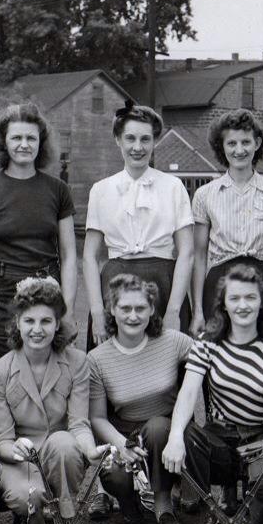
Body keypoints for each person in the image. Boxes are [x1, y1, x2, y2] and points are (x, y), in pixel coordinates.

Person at [0, 102, 77, 445]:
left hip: (48, 295)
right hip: (0, 297)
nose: (24, 144)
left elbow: (70, 254)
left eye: (31, 137)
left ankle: (48, 468)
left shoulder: (57, 189)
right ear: (3, 142)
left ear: (41, 142)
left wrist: (66, 312)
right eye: (16, 138)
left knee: (46, 385)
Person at [162, 264, 263, 524]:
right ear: (223, 303)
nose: (243, 305)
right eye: (235, 298)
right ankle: (216, 509)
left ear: (262, 301)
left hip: (260, 435)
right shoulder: (209, 341)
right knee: (186, 435)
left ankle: (256, 509)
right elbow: (188, 394)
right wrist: (174, 436)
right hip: (221, 433)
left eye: (250, 297)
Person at [0, 277, 105, 524]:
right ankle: (25, 515)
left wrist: (90, 450)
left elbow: (78, 423)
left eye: (46, 322)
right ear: (17, 323)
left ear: (57, 324)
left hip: (60, 450)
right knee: (23, 496)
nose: (37, 330)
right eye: (29, 321)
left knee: (64, 442)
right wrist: (15, 449)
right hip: (20, 456)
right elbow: (1, 438)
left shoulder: (77, 362)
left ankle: (67, 522)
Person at [87, 274, 193, 524]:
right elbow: (97, 418)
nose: (133, 316)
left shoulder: (174, 341)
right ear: (112, 309)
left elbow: (210, 357)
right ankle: (127, 502)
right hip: (123, 431)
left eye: (140, 308)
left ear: (152, 309)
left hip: (164, 428)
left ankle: (163, 505)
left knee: (158, 427)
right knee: (115, 474)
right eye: (125, 308)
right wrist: (121, 445)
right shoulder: (97, 358)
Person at [83, 100, 194, 345]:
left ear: (154, 142)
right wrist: (97, 310)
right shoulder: (101, 190)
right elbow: (90, 256)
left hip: (163, 283)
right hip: (115, 282)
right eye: (130, 138)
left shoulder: (173, 187)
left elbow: (187, 252)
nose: (137, 147)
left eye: (145, 139)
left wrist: (174, 310)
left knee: (166, 367)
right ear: (118, 140)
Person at [190, 109, 263, 334]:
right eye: (232, 143)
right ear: (222, 146)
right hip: (220, 281)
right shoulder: (205, 194)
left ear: (257, 143)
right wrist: (198, 310)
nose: (239, 150)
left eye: (246, 142)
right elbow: (198, 256)